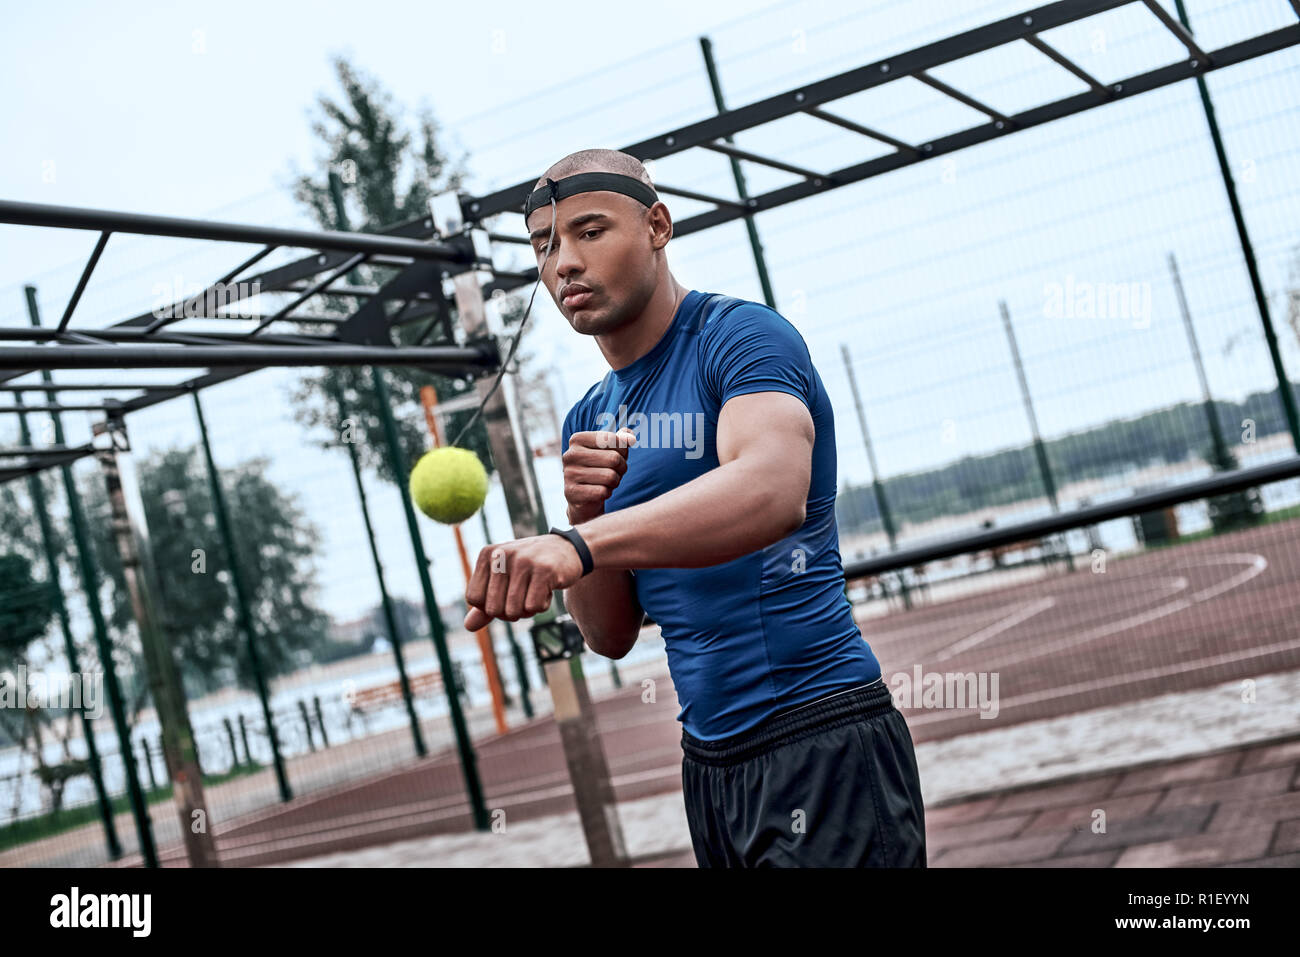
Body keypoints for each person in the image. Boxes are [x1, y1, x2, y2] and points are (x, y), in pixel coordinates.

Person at [463, 148, 925, 867]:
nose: (564, 265)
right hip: (709, 765)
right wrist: (582, 514)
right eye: (545, 246)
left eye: (590, 231)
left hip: (818, 734)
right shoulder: (589, 412)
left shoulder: (740, 338)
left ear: (656, 226)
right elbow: (610, 634)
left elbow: (771, 492)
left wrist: (576, 543)